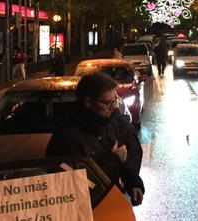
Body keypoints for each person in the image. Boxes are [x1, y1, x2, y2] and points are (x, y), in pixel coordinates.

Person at [46, 72, 145, 206]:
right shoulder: (66, 137)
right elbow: (75, 186)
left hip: (112, 202)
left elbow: (126, 154)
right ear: (88, 102)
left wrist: (133, 182)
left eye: (114, 100)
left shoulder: (112, 121)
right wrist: (113, 159)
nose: (113, 107)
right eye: (107, 103)